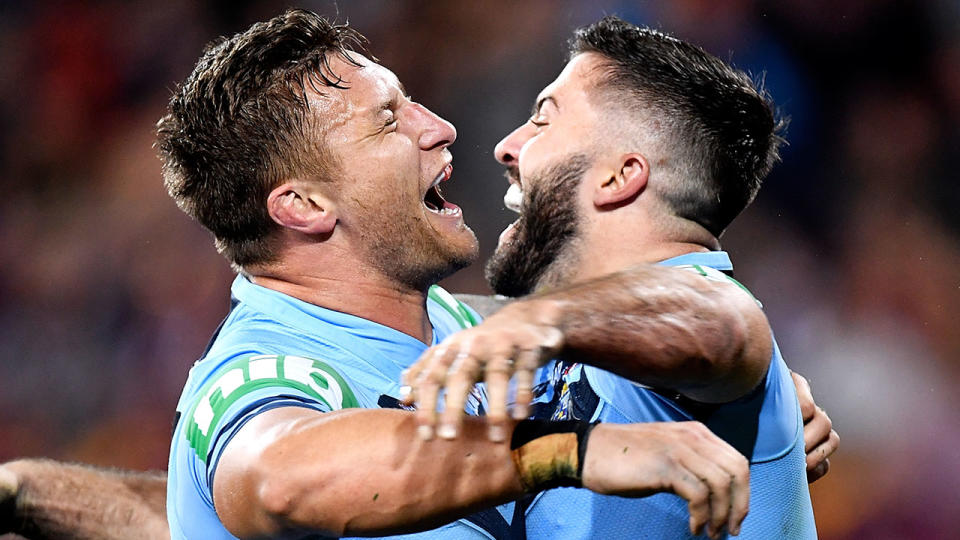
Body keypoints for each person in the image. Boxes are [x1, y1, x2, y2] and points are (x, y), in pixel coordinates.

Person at [0, 10, 837, 540]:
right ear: (303, 204)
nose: (450, 131)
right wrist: (568, 451)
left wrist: (748, 395)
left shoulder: (472, 334)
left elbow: (707, 318)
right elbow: (283, 482)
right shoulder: (264, 374)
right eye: (390, 120)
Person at [404, 16, 826, 539]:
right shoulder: (570, 357)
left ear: (620, 176)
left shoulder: (706, 317)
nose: (507, 147)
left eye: (541, 120)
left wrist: (538, 323)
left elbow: (723, 320)